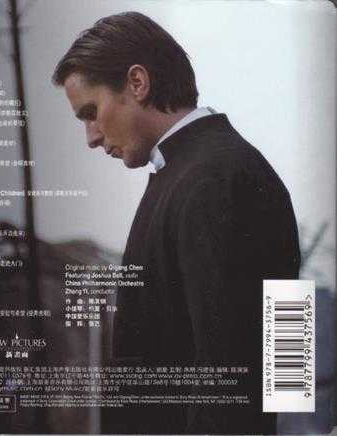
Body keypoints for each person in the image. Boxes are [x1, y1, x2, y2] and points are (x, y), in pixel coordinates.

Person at [52, 11, 300, 434]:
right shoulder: (198, 172)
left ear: (137, 83)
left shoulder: (214, 180)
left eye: (91, 112)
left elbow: (235, 380)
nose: (91, 137)